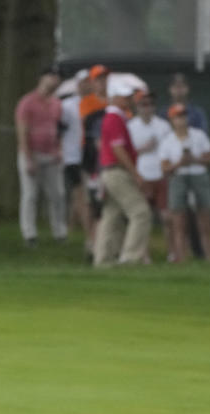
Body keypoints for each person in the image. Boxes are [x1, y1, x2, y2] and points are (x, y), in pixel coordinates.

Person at [93, 78, 152, 266]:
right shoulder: (114, 118)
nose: (129, 100)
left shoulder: (115, 117)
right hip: (116, 172)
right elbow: (118, 149)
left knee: (112, 215)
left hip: (111, 172)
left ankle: (103, 259)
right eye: (125, 97)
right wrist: (135, 173)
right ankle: (130, 257)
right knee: (141, 213)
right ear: (115, 97)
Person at [15, 65, 67, 246]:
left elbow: (59, 129)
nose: (55, 79)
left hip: (51, 154)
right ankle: (29, 234)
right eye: (51, 76)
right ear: (42, 78)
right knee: (30, 195)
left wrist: (59, 150)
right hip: (32, 154)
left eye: (57, 77)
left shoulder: (57, 104)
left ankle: (59, 232)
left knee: (57, 194)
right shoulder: (27, 102)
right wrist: (28, 158)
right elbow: (22, 132)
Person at [160, 72, 210, 259]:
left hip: (195, 170)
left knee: (199, 214)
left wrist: (192, 156)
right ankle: (175, 253)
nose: (179, 90)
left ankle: (201, 252)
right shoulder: (163, 113)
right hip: (174, 170)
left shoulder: (197, 113)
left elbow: (203, 142)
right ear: (170, 90)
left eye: (182, 86)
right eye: (175, 86)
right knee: (174, 216)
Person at [127, 90, 175, 261]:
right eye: (143, 105)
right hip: (142, 175)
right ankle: (144, 254)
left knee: (166, 217)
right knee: (144, 217)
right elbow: (127, 153)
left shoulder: (163, 126)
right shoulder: (131, 126)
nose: (147, 108)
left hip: (160, 176)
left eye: (150, 104)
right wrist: (143, 148)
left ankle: (172, 253)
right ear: (137, 107)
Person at [79, 65, 110, 256]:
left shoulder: (113, 101)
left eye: (104, 78)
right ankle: (91, 240)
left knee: (105, 203)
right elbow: (89, 120)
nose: (102, 82)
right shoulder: (87, 102)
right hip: (91, 158)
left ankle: (104, 242)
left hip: (108, 159)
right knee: (91, 202)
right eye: (98, 79)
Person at [60, 69, 90, 242]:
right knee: (80, 193)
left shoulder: (96, 103)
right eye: (82, 82)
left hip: (88, 156)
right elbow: (60, 129)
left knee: (78, 194)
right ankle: (88, 233)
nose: (85, 85)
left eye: (88, 82)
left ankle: (72, 227)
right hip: (72, 155)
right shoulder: (67, 106)